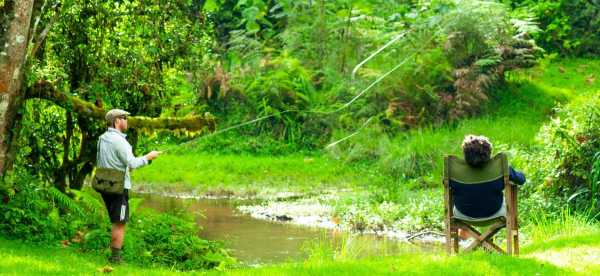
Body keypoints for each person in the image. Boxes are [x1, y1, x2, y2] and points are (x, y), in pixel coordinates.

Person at [96, 109, 161, 264]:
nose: (127, 121)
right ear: (117, 120)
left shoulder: (102, 138)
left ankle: (114, 255)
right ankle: (115, 259)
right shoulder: (120, 141)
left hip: (105, 185)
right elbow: (132, 163)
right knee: (120, 222)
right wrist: (148, 157)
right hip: (119, 187)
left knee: (116, 220)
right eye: (125, 118)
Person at [451, 135, 526, 238]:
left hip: (463, 214)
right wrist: (519, 173)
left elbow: (447, 186)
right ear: (488, 153)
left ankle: (467, 237)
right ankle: (486, 240)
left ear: (465, 154)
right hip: (495, 212)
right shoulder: (499, 166)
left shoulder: (456, 171)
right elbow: (521, 180)